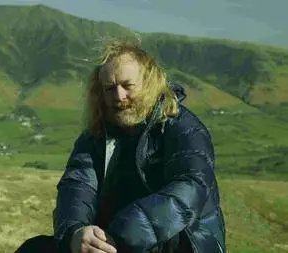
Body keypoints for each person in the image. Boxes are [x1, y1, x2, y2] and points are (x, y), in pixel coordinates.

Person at [15, 39, 226, 253]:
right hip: (113, 240)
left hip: (179, 243)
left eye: (127, 85)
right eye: (109, 88)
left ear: (150, 84)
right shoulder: (96, 135)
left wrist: (118, 237)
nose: (118, 96)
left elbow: (189, 189)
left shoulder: (184, 129)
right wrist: (75, 233)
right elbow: (77, 186)